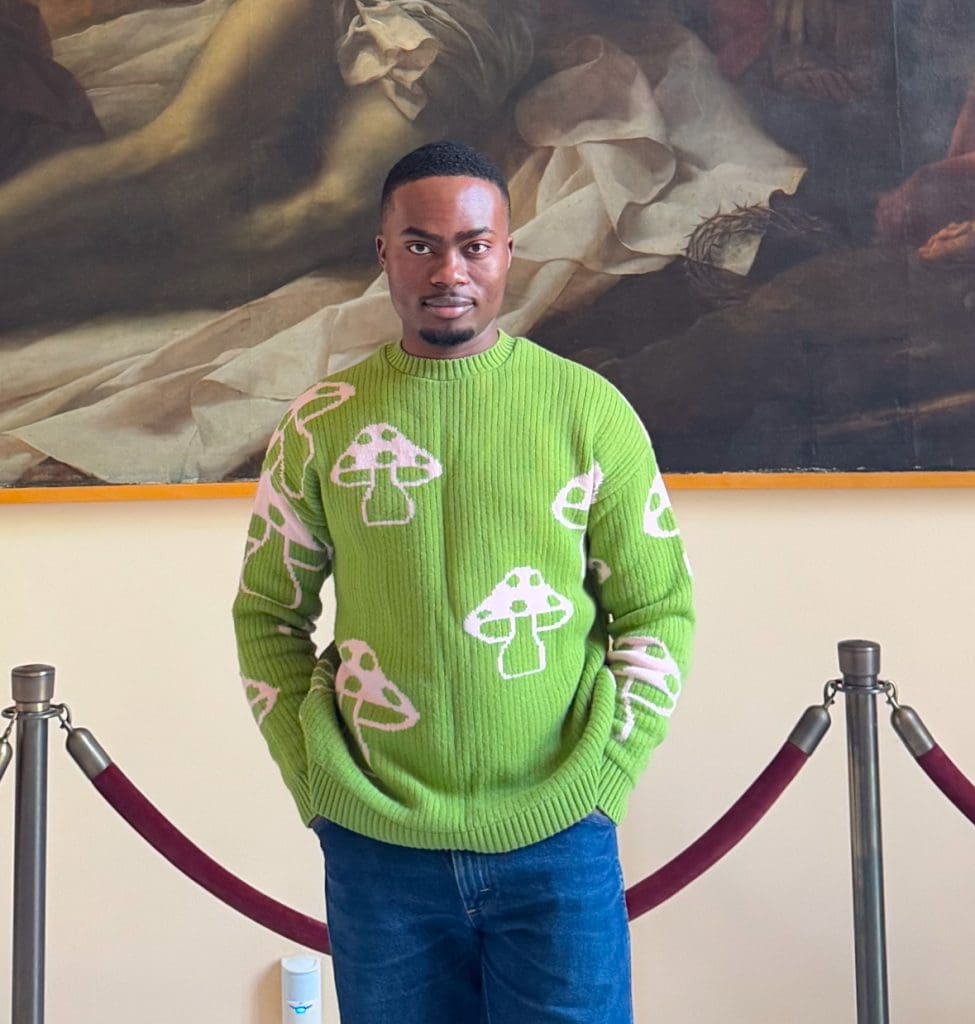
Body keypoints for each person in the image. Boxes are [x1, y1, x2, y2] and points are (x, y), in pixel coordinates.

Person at [232, 140, 695, 1023]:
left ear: (507, 252)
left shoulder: (588, 411)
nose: (449, 268)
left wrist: (607, 776)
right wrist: (315, 778)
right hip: (377, 850)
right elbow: (266, 614)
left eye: (473, 244)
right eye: (420, 244)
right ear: (383, 254)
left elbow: (656, 609)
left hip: (558, 842)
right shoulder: (323, 424)